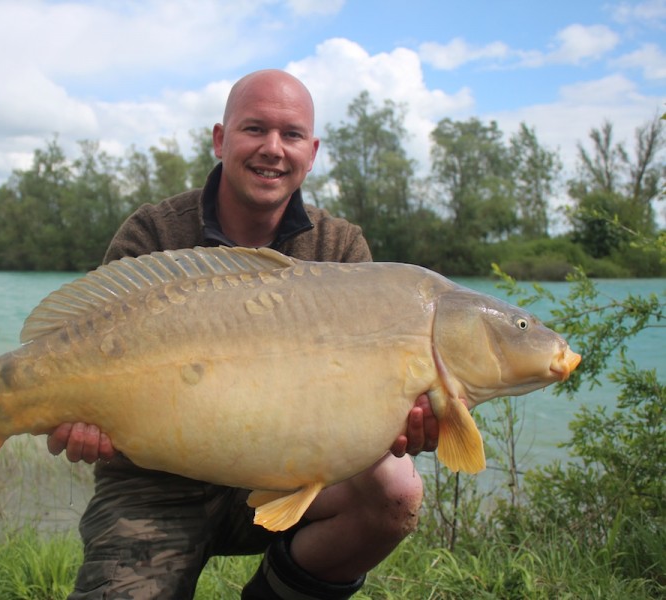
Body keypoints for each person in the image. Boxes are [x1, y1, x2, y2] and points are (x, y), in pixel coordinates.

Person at [46, 69, 441, 599]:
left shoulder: (340, 249)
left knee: (396, 487)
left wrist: (408, 421)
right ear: (220, 138)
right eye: (254, 129)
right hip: (153, 484)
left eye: (292, 134)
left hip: (287, 479)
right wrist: (79, 418)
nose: (273, 149)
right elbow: (87, 348)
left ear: (312, 149)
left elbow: (372, 402)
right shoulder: (155, 233)